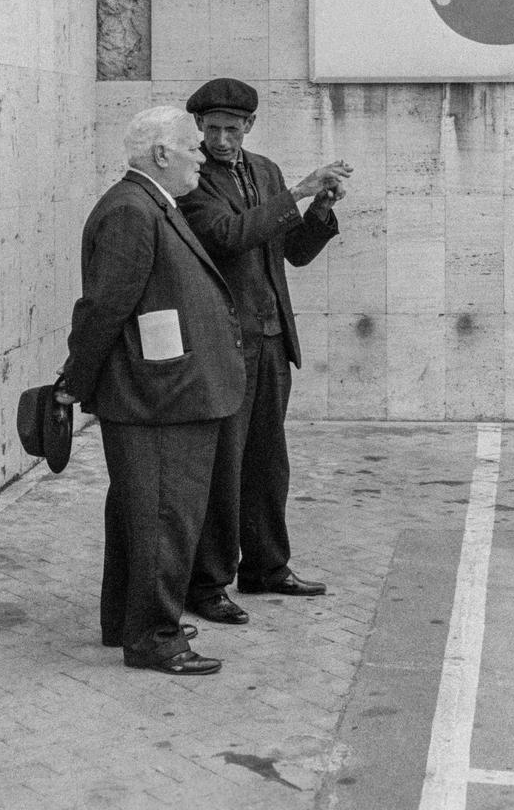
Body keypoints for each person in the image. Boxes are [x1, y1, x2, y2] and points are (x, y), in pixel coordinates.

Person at [55, 106, 246, 675]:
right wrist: (73, 383)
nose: (202, 155)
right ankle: (155, 638)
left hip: (164, 391)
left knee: (140, 516)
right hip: (160, 398)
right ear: (161, 154)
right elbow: (105, 307)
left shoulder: (148, 203)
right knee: (165, 518)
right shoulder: (132, 211)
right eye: (193, 146)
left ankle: (126, 621)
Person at [177, 77, 352, 621]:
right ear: (199, 129)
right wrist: (298, 193)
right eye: (212, 129)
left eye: (232, 129)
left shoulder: (267, 171)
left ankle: (267, 568)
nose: (221, 139)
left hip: (273, 338)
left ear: (249, 127)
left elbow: (292, 253)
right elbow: (228, 235)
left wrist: (318, 210)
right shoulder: (190, 176)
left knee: (268, 464)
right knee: (223, 468)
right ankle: (206, 586)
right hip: (226, 343)